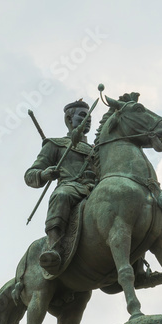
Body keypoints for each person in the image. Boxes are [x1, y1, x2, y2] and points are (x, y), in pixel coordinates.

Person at [24, 99, 95, 271]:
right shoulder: (55, 144)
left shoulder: (97, 149)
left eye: (90, 117)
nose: (88, 120)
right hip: (71, 187)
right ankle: (53, 246)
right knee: (61, 195)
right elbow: (30, 175)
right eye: (83, 116)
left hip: (97, 189)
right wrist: (44, 173)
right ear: (69, 120)